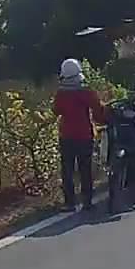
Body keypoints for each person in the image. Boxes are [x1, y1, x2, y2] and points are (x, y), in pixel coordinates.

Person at [53, 58, 105, 212]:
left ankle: (70, 203)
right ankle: (87, 201)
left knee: (67, 170)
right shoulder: (86, 92)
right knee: (85, 169)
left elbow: (56, 111)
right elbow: (98, 109)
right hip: (84, 135)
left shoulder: (61, 94)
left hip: (66, 136)